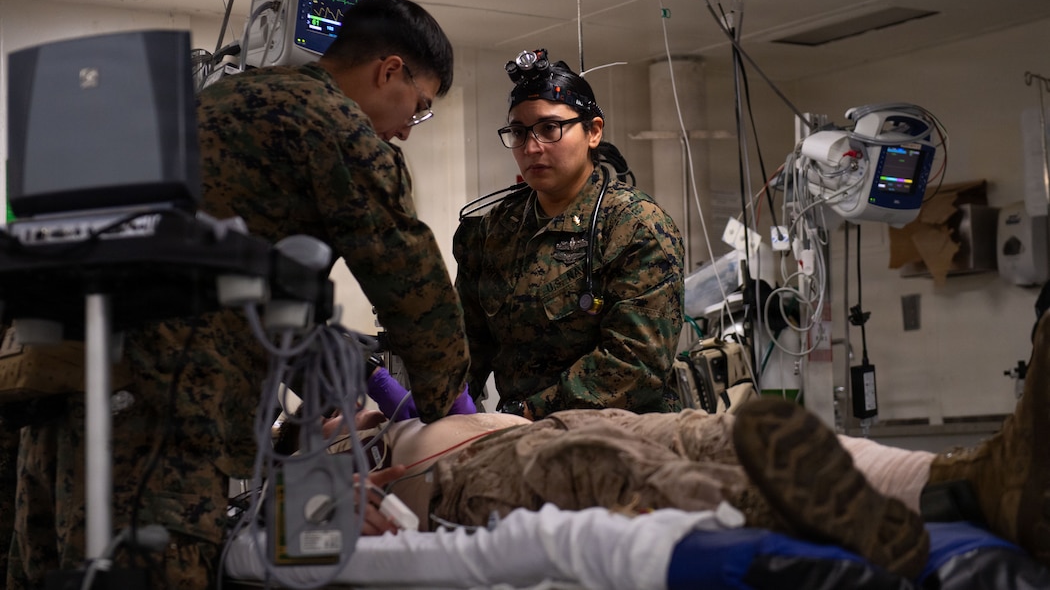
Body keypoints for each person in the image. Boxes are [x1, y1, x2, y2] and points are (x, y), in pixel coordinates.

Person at [7, 0, 471, 589]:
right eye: (420, 106)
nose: (409, 127)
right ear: (389, 70)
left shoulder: (219, 100)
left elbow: (250, 289)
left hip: (56, 391)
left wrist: (337, 373)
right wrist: (447, 407)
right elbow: (414, 287)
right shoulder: (335, 126)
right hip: (159, 421)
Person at [328, 308, 1050, 580]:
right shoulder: (315, 461)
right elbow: (277, 519)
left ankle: (983, 481)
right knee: (605, 472)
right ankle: (802, 518)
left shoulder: (394, 410)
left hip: (555, 418)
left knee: (715, 432)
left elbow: (433, 385)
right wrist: (339, 478)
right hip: (472, 473)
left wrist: (372, 381)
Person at [453, 49, 685, 419]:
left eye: (549, 128)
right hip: (520, 438)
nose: (531, 147)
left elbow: (636, 362)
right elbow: (467, 341)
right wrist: (439, 406)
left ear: (593, 131)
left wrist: (527, 413)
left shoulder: (636, 226)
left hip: (621, 440)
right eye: (518, 132)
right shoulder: (493, 230)